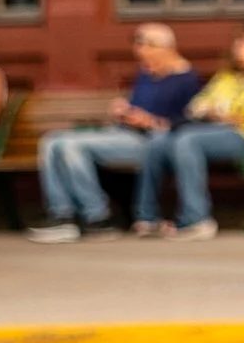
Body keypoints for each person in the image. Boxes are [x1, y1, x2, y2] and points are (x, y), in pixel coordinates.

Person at [25, 24, 205, 240]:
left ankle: (96, 217)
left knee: (72, 146)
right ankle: (61, 214)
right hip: (125, 133)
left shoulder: (187, 78)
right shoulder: (146, 74)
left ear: (165, 47)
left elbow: (190, 119)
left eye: (145, 45)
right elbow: (138, 107)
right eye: (138, 45)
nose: (140, 51)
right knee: (52, 141)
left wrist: (152, 121)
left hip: (152, 142)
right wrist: (125, 110)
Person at [137, 24, 244, 237]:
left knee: (187, 141)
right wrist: (216, 112)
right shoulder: (226, 77)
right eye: (238, 43)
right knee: (158, 141)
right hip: (215, 131)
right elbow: (197, 105)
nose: (240, 49)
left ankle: (197, 219)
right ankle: (148, 218)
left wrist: (224, 112)